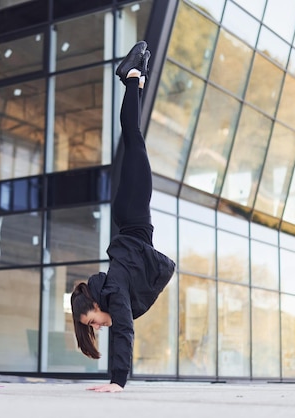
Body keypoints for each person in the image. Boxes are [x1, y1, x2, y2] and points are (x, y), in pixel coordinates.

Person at [70, 41, 176, 393]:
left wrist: (118, 382)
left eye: (93, 321)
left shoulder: (113, 289)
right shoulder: (112, 287)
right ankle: (138, 80)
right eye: (95, 327)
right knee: (135, 141)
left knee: (134, 139)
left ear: (96, 305)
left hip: (132, 212)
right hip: (131, 214)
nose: (99, 325)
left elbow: (124, 330)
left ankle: (130, 77)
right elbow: (122, 324)